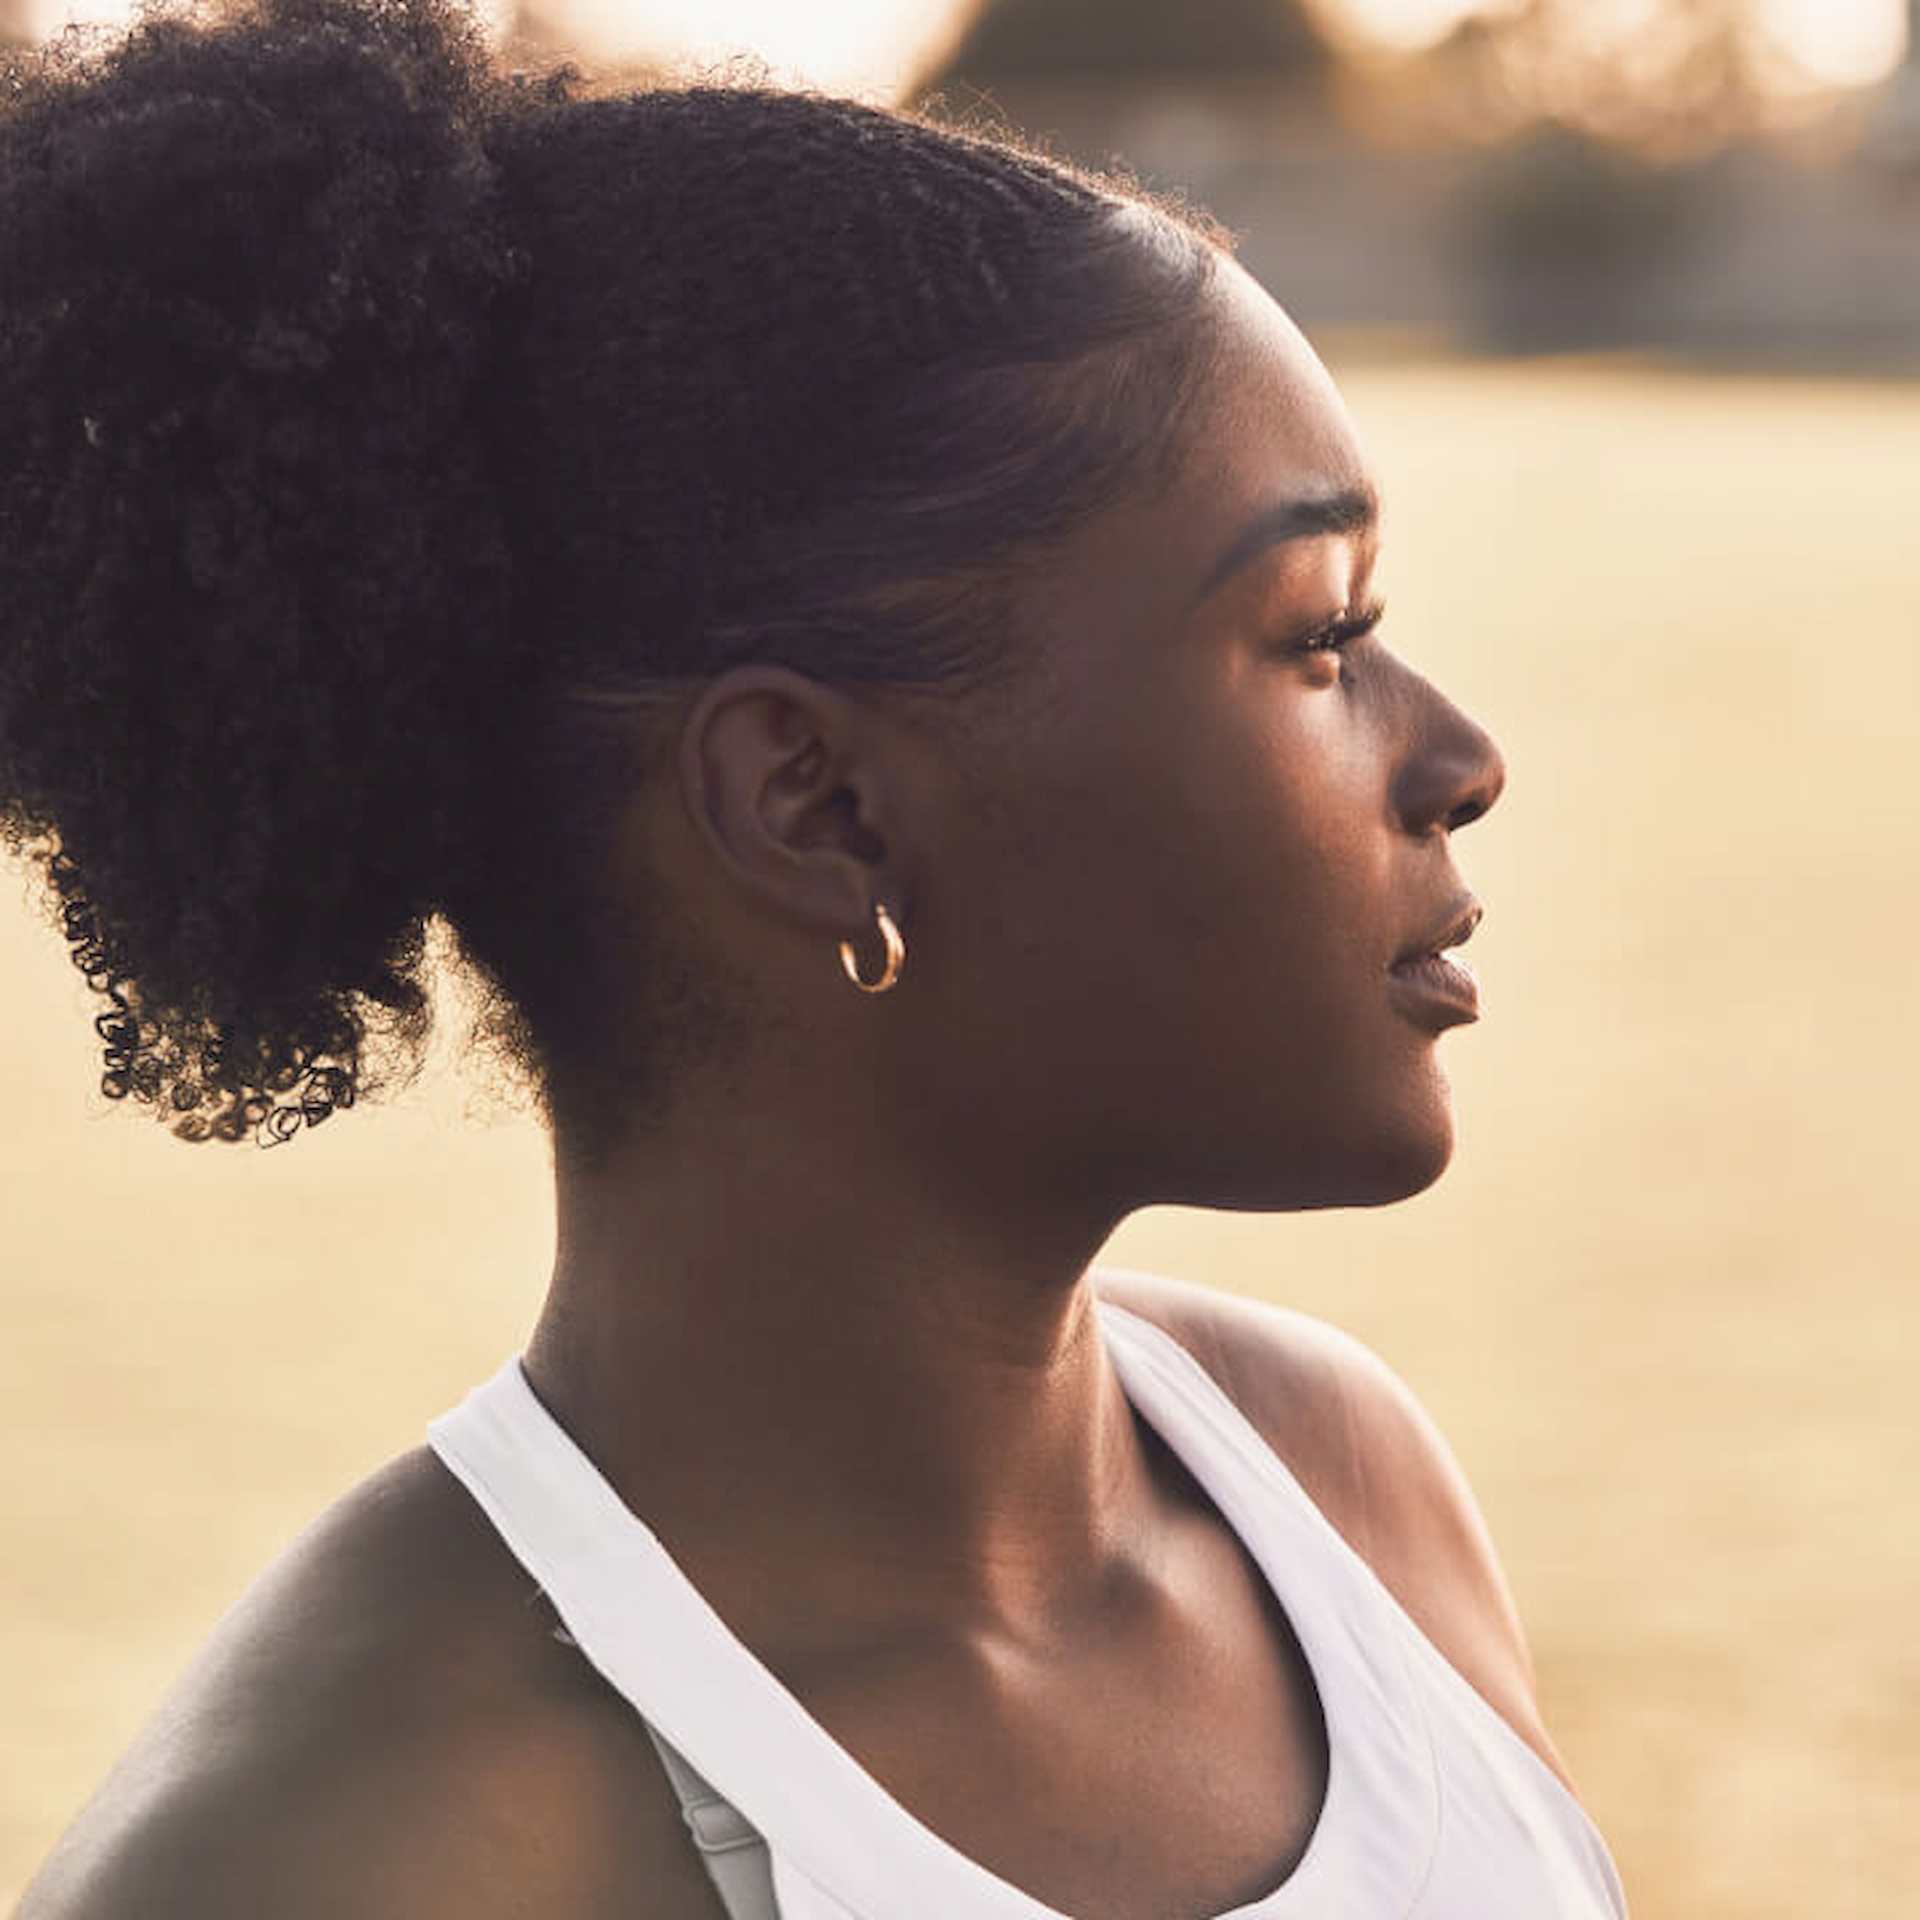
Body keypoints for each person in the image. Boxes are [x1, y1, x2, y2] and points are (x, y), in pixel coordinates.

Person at [1, 0, 1628, 1913]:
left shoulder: (1327, 1482)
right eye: (1315, 639)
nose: (1461, 761)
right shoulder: (369, 1850)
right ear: (817, 807)